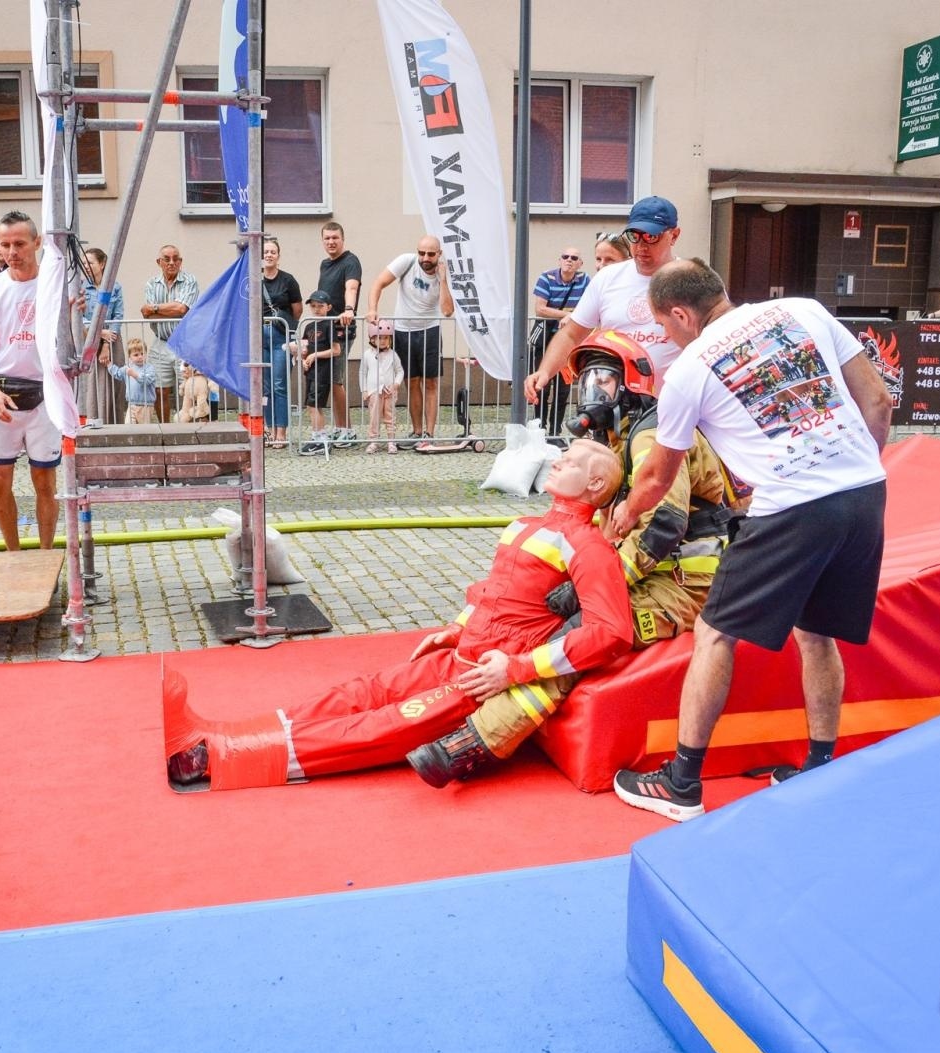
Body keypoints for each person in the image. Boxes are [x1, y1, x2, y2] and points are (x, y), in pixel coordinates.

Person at [165, 438, 632, 789]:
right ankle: (229, 731)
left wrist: (515, 670)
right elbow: (493, 592)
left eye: (570, 461)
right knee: (360, 693)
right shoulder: (528, 525)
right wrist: (455, 629)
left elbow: (611, 632)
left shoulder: (587, 547)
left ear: (595, 483)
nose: (557, 460)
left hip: (483, 677)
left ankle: (222, 757)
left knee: (379, 726)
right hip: (466, 657)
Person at [607, 259, 892, 822]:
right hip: (864, 488)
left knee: (714, 633)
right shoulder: (804, 310)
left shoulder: (689, 371)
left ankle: (682, 783)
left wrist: (625, 513)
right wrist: (853, 471)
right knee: (816, 634)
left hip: (792, 502)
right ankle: (820, 766)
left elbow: (659, 478)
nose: (667, 338)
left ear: (682, 314)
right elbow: (878, 402)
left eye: (666, 327)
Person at [405, 329, 741, 787]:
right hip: (650, 568)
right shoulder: (620, 438)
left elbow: (663, 525)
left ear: (631, 384)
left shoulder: (651, 437)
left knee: (577, 635)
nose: (591, 391)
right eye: (584, 380)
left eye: (602, 378)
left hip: (681, 583)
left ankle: (478, 742)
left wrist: (603, 584)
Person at [523, 196, 683, 410]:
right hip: (611, 404)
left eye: (651, 236)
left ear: (673, 235)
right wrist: (544, 371)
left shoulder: (692, 280)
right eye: (634, 237)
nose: (642, 246)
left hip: (671, 404)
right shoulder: (608, 278)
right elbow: (571, 334)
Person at [0, 210, 61, 552]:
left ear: (37, 243)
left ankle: (46, 554)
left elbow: (74, 339)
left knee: (44, 481)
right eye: (4, 245)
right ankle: (14, 555)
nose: (11, 252)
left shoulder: (54, 286)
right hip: (2, 394)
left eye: (19, 243)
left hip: (44, 396)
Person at [366, 236, 454, 439]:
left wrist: (443, 280)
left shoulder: (443, 272)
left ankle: (429, 434)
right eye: (421, 252)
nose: (425, 258)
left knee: (430, 383)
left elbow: (448, 311)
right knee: (412, 382)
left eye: (431, 254)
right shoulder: (406, 261)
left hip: (430, 331)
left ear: (439, 254)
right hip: (403, 331)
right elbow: (378, 283)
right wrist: (372, 309)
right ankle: (416, 431)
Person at [529, 247, 591, 434]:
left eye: (574, 258)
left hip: (569, 341)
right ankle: (540, 429)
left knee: (563, 389)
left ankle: (555, 431)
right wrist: (568, 315)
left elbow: (589, 306)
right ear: (559, 260)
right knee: (542, 386)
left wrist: (571, 318)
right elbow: (540, 309)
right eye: (565, 256)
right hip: (546, 339)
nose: (569, 260)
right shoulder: (546, 278)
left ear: (580, 264)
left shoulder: (585, 280)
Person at [140, 245, 200, 422]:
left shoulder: (190, 280)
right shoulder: (151, 283)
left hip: (184, 343)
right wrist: (167, 309)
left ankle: (188, 429)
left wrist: (155, 308)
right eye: (167, 259)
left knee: (189, 389)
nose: (172, 262)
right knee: (159, 389)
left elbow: (182, 308)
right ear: (159, 262)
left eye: (176, 259)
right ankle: (165, 428)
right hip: (161, 341)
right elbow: (147, 315)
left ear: (181, 262)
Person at [316, 222, 362, 443]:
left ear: (342, 239)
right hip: (327, 329)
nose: (331, 242)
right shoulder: (325, 264)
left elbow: (350, 287)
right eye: (327, 238)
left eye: (335, 237)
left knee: (336, 379)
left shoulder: (351, 262)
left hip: (342, 328)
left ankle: (347, 430)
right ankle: (339, 425)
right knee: (332, 380)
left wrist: (349, 310)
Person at [260, 238, 303, 447]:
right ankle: (268, 429)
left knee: (279, 385)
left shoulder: (288, 280)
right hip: (260, 337)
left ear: (278, 255)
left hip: (279, 336)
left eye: (272, 252)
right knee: (264, 387)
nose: (269, 255)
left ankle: (281, 432)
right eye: (266, 251)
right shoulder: (254, 280)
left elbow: (297, 310)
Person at [79, 246, 125, 422]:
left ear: (102, 264)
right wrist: (99, 332)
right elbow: (79, 317)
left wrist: (106, 343)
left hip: (112, 340)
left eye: (90, 262)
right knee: (91, 384)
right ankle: (92, 421)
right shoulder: (81, 287)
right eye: (84, 263)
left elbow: (118, 316)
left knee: (114, 383)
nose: (86, 266)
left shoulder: (115, 287)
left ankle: (114, 424)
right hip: (88, 339)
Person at [293, 291, 343, 455]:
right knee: (310, 404)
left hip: (323, 371)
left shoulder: (329, 324)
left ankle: (320, 438)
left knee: (315, 404)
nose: (316, 309)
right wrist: (303, 357)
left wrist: (315, 356)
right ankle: (317, 436)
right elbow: (306, 348)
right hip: (311, 371)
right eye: (313, 306)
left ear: (328, 307)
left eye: (320, 306)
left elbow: (336, 350)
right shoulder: (308, 326)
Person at [358, 319, 404, 452]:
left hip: (389, 391)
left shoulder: (393, 354)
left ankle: (391, 441)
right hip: (374, 391)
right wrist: (364, 390)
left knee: (390, 416)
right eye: (379, 338)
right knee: (374, 417)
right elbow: (363, 372)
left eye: (386, 338)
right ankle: (374, 441)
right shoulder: (367, 355)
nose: (383, 341)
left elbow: (400, 371)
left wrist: (396, 384)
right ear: (372, 339)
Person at [106, 337, 157, 424]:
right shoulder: (128, 367)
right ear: (129, 357)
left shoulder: (149, 368)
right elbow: (118, 373)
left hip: (146, 405)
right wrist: (109, 365)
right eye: (136, 355)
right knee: (129, 426)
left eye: (142, 353)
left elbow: (147, 380)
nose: (140, 357)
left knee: (144, 430)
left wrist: (135, 375)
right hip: (131, 404)